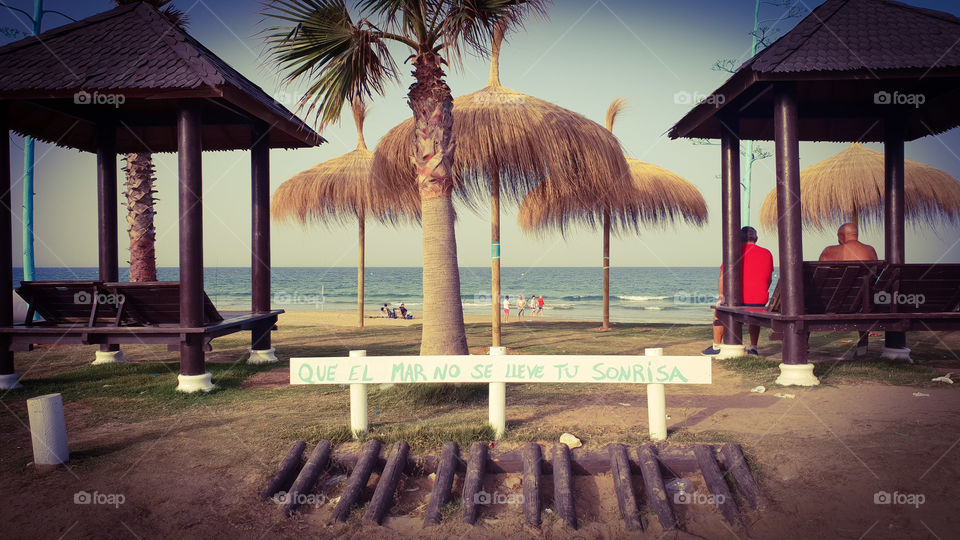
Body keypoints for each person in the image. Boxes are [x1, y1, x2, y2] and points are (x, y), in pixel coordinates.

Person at [703, 226, 773, 356]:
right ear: (756, 239)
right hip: (760, 301)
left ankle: (717, 346)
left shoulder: (733, 253)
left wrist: (721, 297)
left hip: (738, 300)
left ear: (739, 239)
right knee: (754, 315)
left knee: (718, 311)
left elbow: (722, 278)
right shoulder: (767, 253)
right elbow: (768, 279)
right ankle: (753, 347)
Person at [819, 222, 878, 355]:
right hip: (863, 303)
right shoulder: (870, 250)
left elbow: (821, 276)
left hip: (834, 303)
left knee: (808, 297)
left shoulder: (830, 251)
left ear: (841, 236)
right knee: (863, 295)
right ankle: (863, 343)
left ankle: (804, 344)